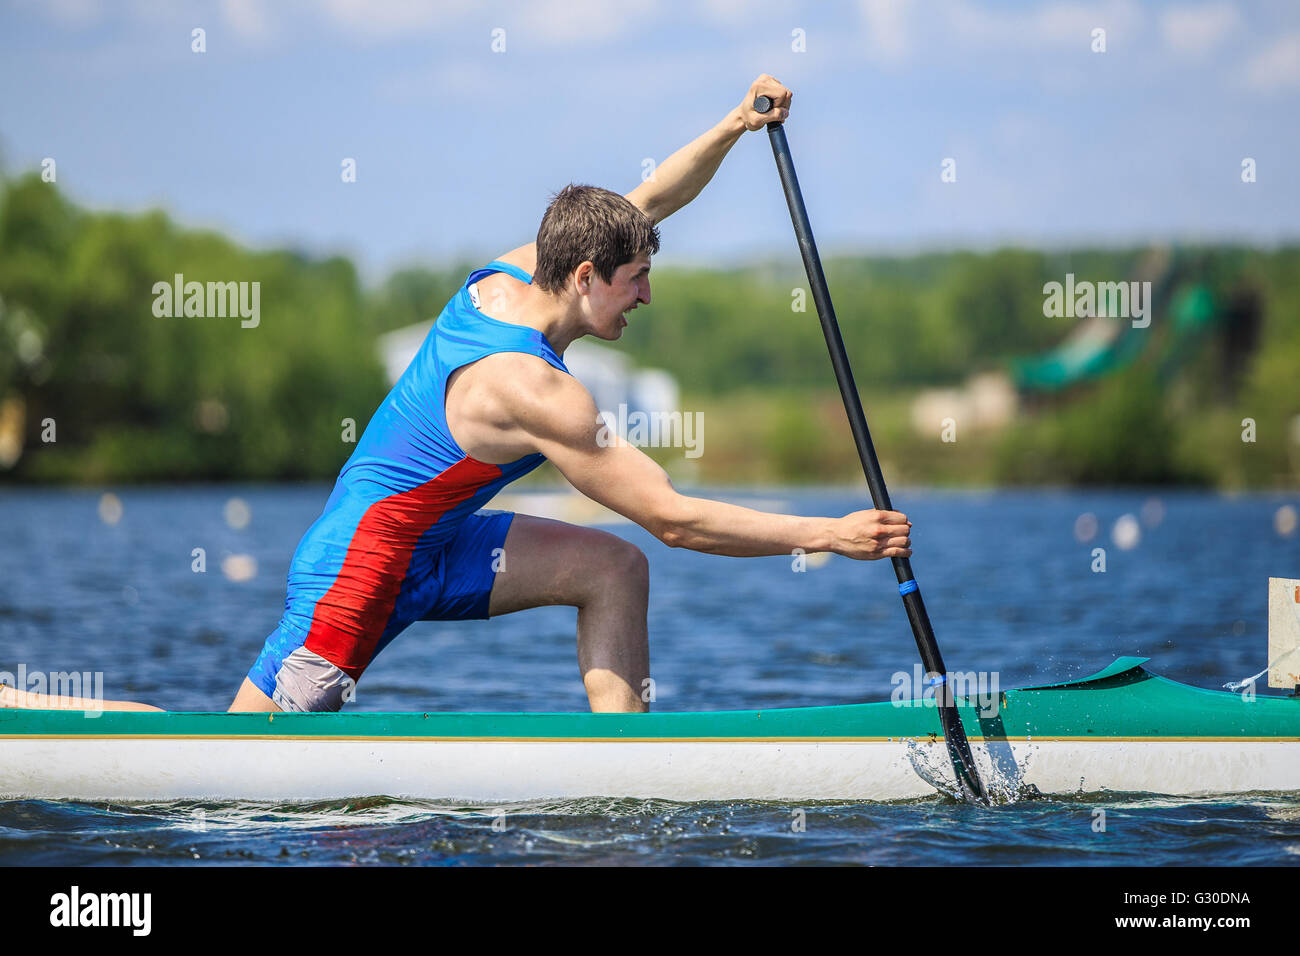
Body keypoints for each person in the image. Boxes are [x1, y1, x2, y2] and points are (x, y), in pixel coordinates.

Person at [0, 74, 911, 717]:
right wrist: (826, 534)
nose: (646, 296)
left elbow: (645, 201)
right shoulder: (537, 393)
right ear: (587, 275)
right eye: (636, 279)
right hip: (356, 577)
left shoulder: (515, 273)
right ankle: (26, 715)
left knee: (613, 570)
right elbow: (670, 517)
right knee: (228, 761)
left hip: (439, 542)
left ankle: (624, 766)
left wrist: (731, 127)